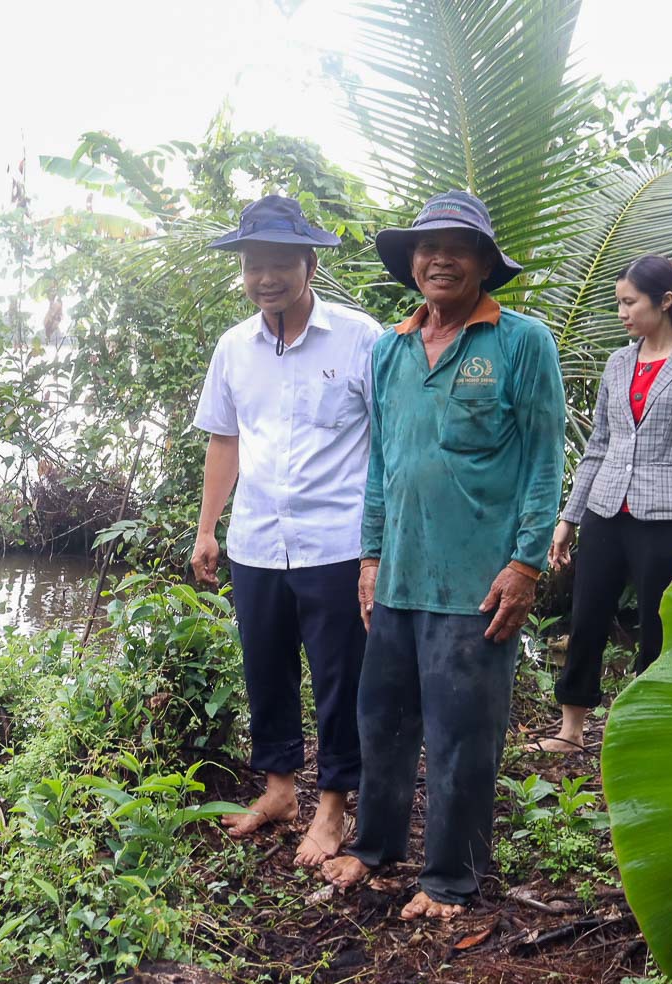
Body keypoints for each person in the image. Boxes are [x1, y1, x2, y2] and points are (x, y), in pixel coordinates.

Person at [320, 191, 566, 919]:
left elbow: (545, 461)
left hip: (477, 583)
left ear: (485, 264)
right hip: (396, 575)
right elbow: (379, 465)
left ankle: (450, 879)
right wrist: (368, 559)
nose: (439, 259)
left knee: (462, 737)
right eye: (426, 248)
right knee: (383, 723)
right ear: (410, 263)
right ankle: (374, 848)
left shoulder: (521, 342)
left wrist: (525, 565)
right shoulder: (390, 349)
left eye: (458, 247)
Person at [190, 195, 383, 866]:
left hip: (335, 543)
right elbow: (224, 439)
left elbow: (390, 443)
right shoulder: (233, 347)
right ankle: (277, 788)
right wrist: (207, 528)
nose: (264, 277)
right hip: (256, 542)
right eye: (252, 265)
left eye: (278, 263)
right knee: (264, 669)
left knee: (338, 678)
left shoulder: (361, 339)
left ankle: (332, 806)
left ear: (309, 265)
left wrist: (378, 547)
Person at [537, 256, 672, 753]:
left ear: (665, 301)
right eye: (619, 302)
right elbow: (599, 444)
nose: (621, 312)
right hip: (606, 509)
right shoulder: (619, 362)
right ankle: (572, 729)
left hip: (669, 518)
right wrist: (569, 517)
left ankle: (651, 737)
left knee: (659, 628)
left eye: (629, 302)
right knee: (587, 617)